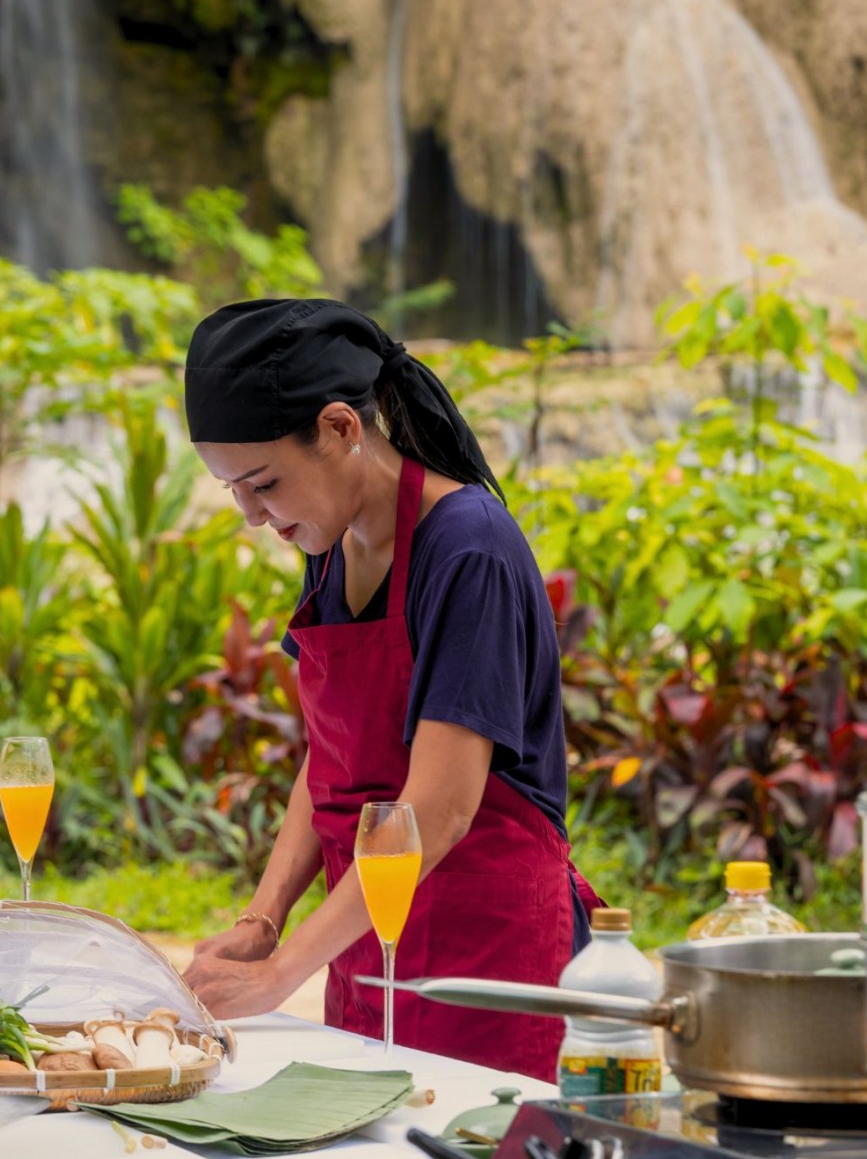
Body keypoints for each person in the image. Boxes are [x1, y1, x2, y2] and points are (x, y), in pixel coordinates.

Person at [179, 299, 599, 1081]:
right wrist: (263, 922)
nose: (250, 515)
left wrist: (282, 976)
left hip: (488, 963)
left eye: (263, 483)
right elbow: (330, 758)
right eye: (233, 488)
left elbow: (438, 808)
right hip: (368, 942)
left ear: (340, 429)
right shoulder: (332, 545)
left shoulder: (468, 545)